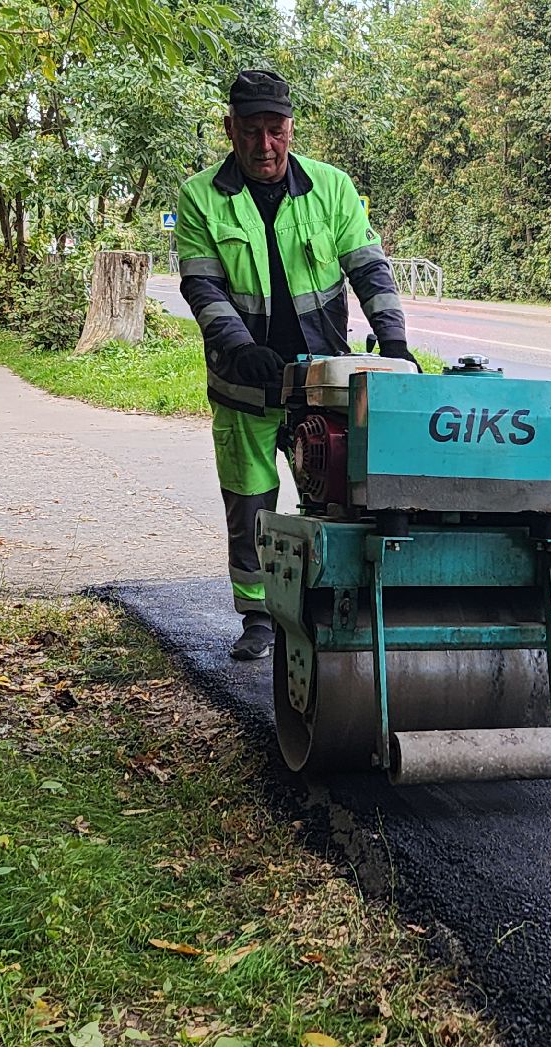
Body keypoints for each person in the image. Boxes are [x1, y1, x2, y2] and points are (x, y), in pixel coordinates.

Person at [177, 69, 411, 661]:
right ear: (229, 129)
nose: (264, 145)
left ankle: (326, 607)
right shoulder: (201, 197)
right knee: (251, 500)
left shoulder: (332, 188)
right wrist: (237, 346)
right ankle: (259, 615)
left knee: (334, 496)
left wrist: (394, 342)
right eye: (250, 131)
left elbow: (369, 270)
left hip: (322, 385)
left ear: (291, 127)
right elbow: (202, 288)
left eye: (275, 130)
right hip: (245, 384)